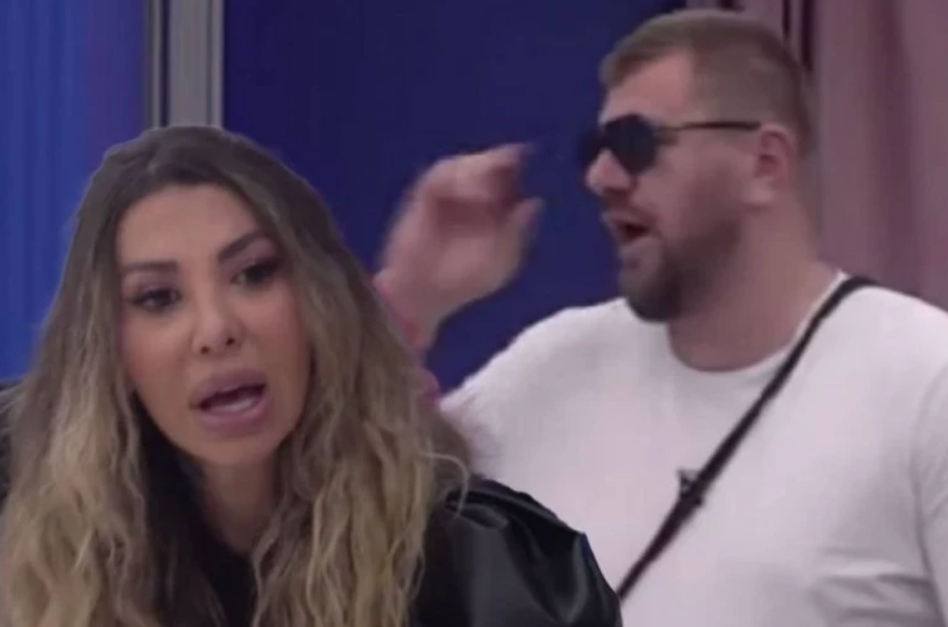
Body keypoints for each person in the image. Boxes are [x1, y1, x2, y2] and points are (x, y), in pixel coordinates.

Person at [376, 8, 948, 627]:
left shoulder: (924, 382)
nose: (601, 177)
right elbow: (360, 506)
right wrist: (410, 299)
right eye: (597, 149)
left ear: (765, 163)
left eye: (636, 143)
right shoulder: (553, 363)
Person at [0, 126, 620, 627]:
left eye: (254, 274)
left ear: (319, 304)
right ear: (109, 351)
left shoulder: (482, 577)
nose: (215, 329)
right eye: (158, 298)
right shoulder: (33, 524)